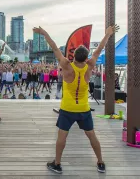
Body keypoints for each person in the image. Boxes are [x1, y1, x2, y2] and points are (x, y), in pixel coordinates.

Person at [33, 24, 119, 174]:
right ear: (86, 58)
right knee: (91, 135)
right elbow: (99, 49)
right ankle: (100, 162)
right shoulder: (90, 65)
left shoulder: (66, 66)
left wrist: (43, 32)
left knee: (62, 136)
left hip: (67, 108)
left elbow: (54, 47)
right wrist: (108, 34)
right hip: (83, 108)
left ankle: (57, 164)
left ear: (73, 56)